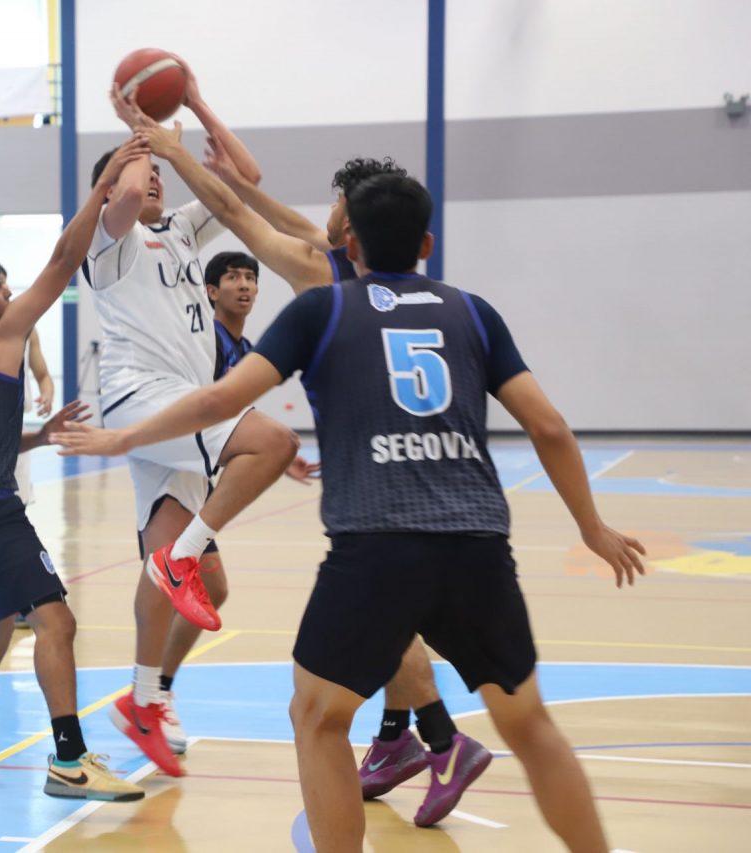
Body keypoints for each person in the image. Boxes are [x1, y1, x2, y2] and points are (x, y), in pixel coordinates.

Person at [57, 172, 646, 852]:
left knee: (318, 718)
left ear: (350, 244)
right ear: (426, 244)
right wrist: (591, 526)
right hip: (478, 543)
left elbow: (219, 401)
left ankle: (395, 741)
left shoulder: (325, 308)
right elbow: (548, 427)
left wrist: (122, 438)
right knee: (530, 724)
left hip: (376, 546)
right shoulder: (473, 312)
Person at [204, 164, 491, 814]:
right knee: (397, 613)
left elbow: (238, 215)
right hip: (428, 468)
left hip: (376, 475)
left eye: (337, 202)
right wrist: (222, 150)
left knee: (380, 617)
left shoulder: (325, 277)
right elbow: (277, 215)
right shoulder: (367, 269)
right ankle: (394, 738)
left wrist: (183, 152)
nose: (327, 214)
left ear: (352, 216)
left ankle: (442, 740)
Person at [85, 63, 318, 777]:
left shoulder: (183, 230)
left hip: (178, 401)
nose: (154, 178)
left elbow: (243, 176)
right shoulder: (108, 239)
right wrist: (139, 134)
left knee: (184, 579)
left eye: (159, 170)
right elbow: (128, 192)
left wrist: (196, 102)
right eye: (143, 168)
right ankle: (181, 561)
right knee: (273, 441)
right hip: (140, 394)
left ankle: (145, 697)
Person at [0, 137, 150, 802]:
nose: (10, 292)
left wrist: (40, 436)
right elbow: (62, 262)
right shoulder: (1, 333)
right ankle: (70, 761)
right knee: (57, 622)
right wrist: (102, 188)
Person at [14, 328, 55, 507]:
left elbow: (43, 375)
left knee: (18, 502)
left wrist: (47, 394)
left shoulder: (28, 329)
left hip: (16, 424)